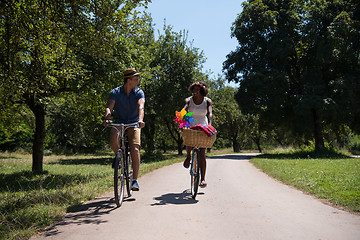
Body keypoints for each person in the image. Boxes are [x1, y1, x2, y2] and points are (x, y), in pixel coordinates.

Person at [103, 68, 145, 191]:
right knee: (114, 135)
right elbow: (109, 107)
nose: (138, 81)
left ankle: (135, 180)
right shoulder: (115, 92)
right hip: (119, 122)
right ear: (129, 80)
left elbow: (141, 106)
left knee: (135, 149)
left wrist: (140, 120)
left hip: (134, 123)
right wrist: (107, 118)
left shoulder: (139, 92)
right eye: (136, 79)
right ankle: (118, 157)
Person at [183, 81, 213, 188]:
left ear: (202, 90)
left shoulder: (207, 101)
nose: (195, 91)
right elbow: (185, 109)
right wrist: (183, 122)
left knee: (202, 153)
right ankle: (188, 157)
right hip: (191, 123)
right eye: (194, 89)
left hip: (203, 126)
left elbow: (209, 114)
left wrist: (209, 125)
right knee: (189, 140)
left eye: (198, 89)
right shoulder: (188, 100)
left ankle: (203, 179)